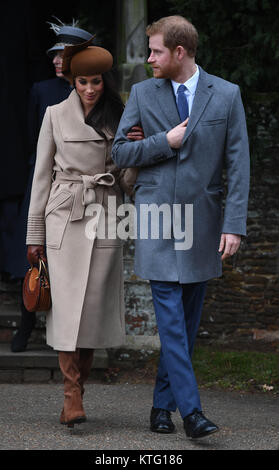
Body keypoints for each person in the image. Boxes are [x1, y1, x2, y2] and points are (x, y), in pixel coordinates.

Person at [112, 15, 250, 439]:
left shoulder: (226, 95)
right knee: (170, 315)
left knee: (186, 323)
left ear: (179, 52)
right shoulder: (141, 92)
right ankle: (192, 414)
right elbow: (120, 153)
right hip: (155, 219)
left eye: (155, 51)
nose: (149, 58)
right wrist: (163, 143)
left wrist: (235, 225)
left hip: (204, 225)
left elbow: (238, 164)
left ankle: (160, 405)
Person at [25, 36, 140, 428]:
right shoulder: (54, 115)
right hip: (63, 215)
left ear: (104, 81)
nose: (90, 89)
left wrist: (136, 154)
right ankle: (71, 394)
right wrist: (33, 236)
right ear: (71, 82)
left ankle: (78, 391)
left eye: (96, 81)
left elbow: (127, 181)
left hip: (105, 213)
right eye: (82, 82)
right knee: (66, 310)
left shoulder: (119, 116)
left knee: (91, 314)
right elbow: (40, 178)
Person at [10, 19, 94, 352]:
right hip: (43, 181)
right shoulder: (41, 90)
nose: (56, 60)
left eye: (63, 54)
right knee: (31, 253)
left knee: (71, 259)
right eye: (54, 55)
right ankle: (26, 324)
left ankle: (68, 334)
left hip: (77, 188)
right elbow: (34, 138)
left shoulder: (92, 90)